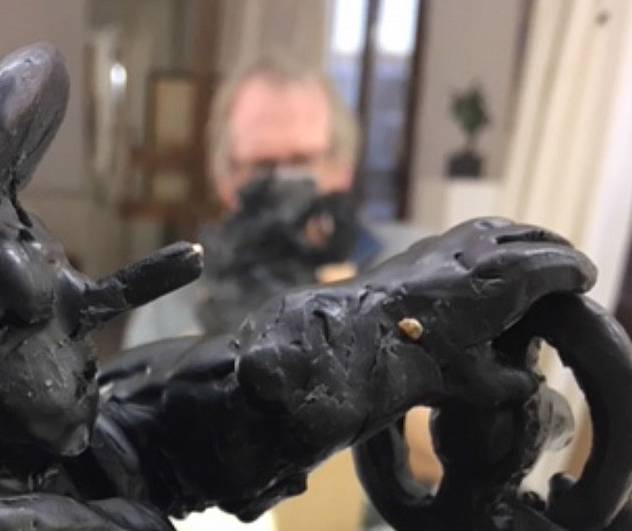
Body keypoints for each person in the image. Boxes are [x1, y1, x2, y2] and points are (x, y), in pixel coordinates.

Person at [123, 53, 421, 349]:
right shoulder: (169, 310)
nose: (281, 185)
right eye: (261, 166)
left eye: (300, 162)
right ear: (223, 177)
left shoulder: (416, 271)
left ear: (342, 168)